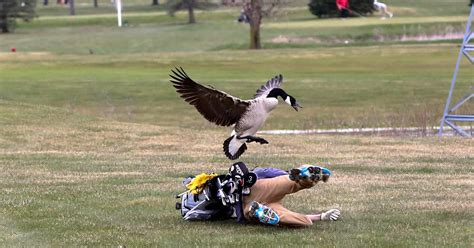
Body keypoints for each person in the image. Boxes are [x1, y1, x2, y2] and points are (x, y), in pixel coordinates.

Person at [241, 166, 341, 227]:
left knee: (306, 222)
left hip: (260, 200)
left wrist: (322, 216)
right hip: (254, 193)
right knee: (290, 182)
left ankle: (259, 212)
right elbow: (264, 172)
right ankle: (304, 177)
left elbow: (265, 172)